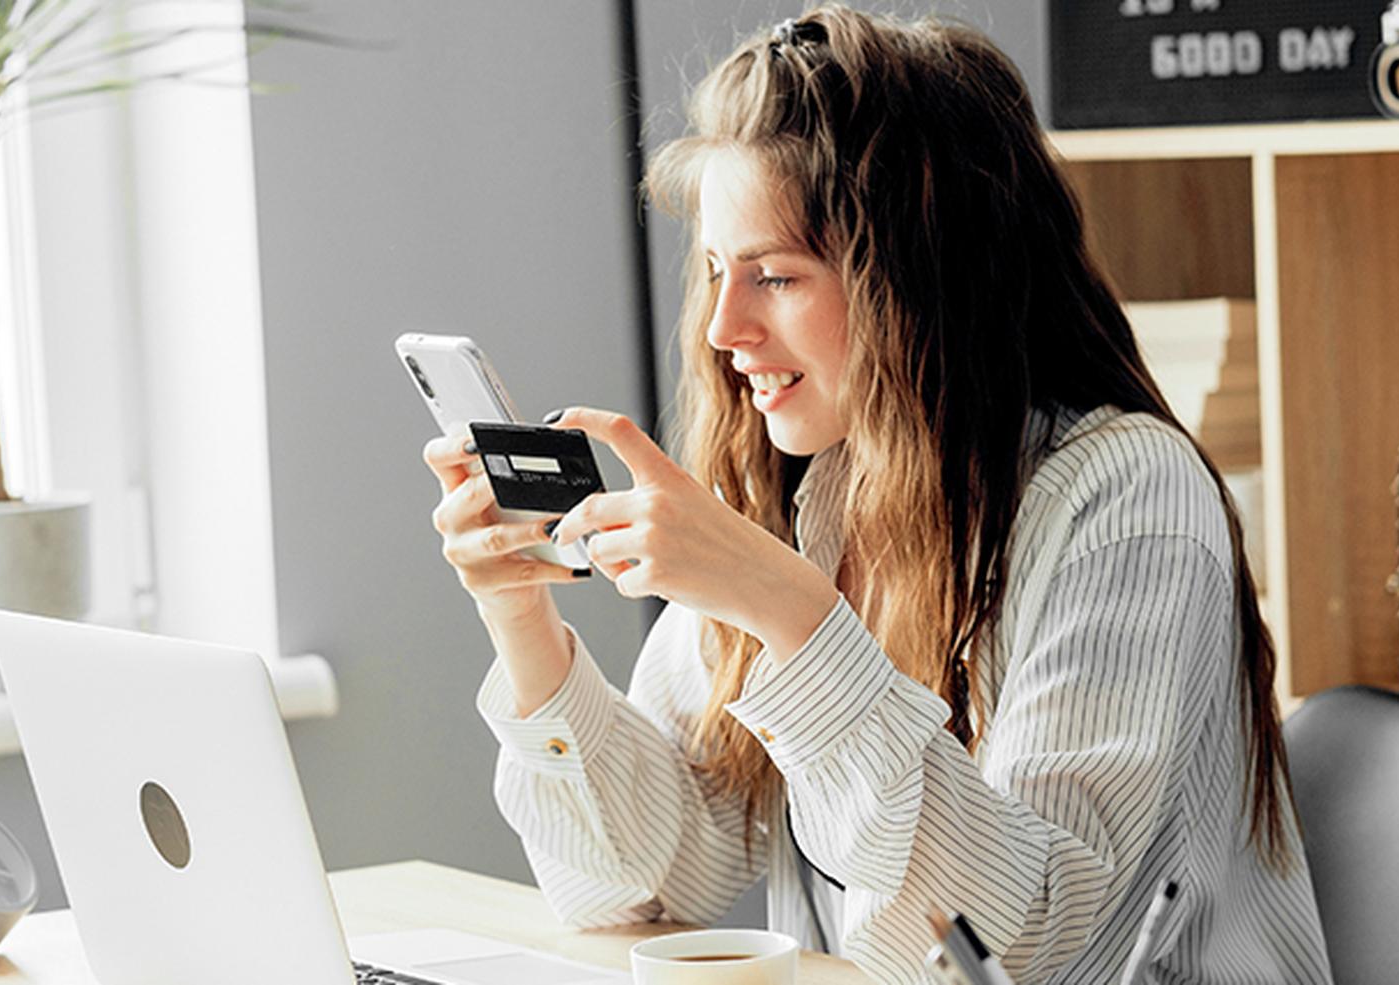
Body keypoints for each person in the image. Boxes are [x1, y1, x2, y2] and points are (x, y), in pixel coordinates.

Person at [418, 6, 1331, 983]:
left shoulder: (1125, 499)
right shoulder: (817, 493)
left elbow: (1014, 945)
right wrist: (522, 618)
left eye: (773, 276)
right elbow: (644, 883)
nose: (724, 328)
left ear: (917, 277)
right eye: (719, 271)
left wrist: (794, 617)